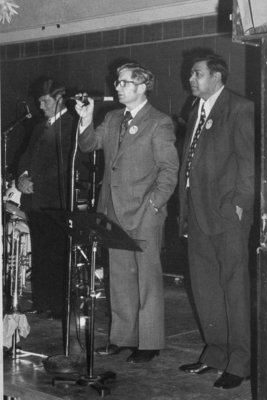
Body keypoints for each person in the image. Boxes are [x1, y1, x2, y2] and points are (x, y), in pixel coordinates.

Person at [75, 62, 179, 363]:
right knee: (118, 277)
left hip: (145, 212)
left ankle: (149, 343)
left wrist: (154, 205)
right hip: (112, 210)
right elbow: (88, 145)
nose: (117, 86)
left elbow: (169, 170)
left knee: (146, 279)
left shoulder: (159, 122)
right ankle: (123, 338)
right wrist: (85, 119)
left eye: (124, 82)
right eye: (117, 82)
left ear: (142, 86)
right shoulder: (111, 117)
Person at [178, 53, 255, 389]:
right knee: (205, 287)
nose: (191, 80)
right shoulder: (196, 109)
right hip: (197, 212)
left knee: (234, 289)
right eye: (191, 75)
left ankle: (240, 362)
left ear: (217, 76)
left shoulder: (239, 108)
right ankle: (215, 354)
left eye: (197, 74)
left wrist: (239, 204)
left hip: (227, 214)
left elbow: (249, 161)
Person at [17, 78, 76, 318]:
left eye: (45, 100)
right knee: (40, 252)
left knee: (57, 253)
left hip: (56, 200)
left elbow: (63, 165)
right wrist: (21, 177)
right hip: (35, 201)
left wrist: (35, 182)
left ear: (59, 99)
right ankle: (42, 301)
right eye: (40, 101)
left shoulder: (71, 124)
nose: (41, 106)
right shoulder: (40, 127)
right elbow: (25, 157)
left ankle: (60, 306)